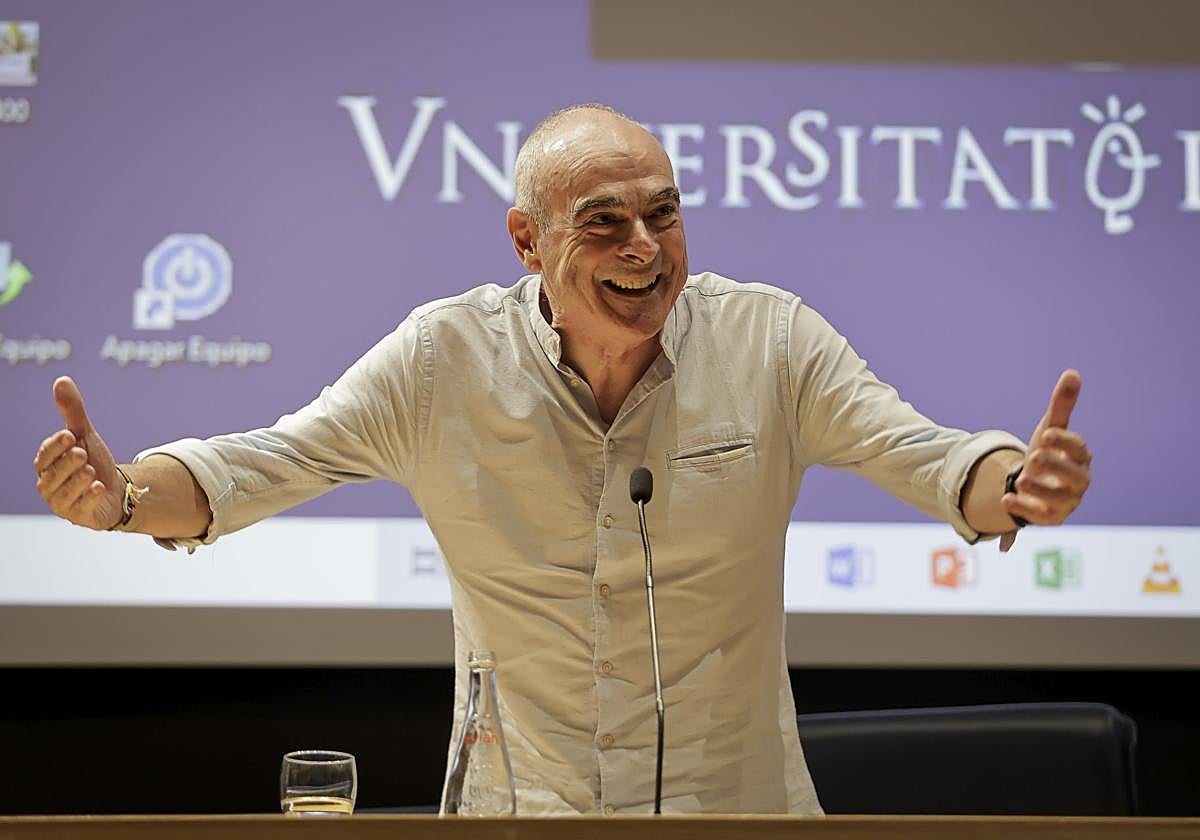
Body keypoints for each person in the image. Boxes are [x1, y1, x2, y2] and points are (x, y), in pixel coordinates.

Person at [33, 104, 1092, 815]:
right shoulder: (444, 360)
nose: (646, 247)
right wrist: (123, 498)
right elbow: (256, 467)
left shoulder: (769, 342)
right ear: (527, 241)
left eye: (665, 214)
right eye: (606, 223)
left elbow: (926, 453)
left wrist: (1016, 485)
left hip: (739, 817)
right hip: (521, 818)